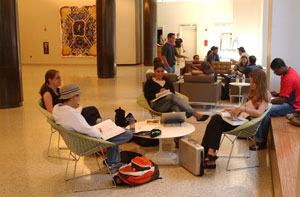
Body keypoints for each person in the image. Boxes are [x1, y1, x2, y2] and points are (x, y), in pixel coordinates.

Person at [53, 83, 133, 173]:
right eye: (78, 96)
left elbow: (82, 127)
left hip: (78, 139)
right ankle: (114, 164)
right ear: (73, 97)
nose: (79, 98)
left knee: (111, 126)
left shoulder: (57, 109)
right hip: (87, 142)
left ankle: (114, 163)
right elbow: (89, 131)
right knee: (127, 133)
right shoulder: (71, 113)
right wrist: (97, 130)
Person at [201, 69, 271, 168]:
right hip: (240, 119)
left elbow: (259, 113)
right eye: (250, 81)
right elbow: (246, 108)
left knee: (215, 121)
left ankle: (208, 154)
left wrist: (242, 108)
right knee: (215, 121)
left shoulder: (266, 94)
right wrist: (234, 109)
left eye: (253, 82)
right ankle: (210, 154)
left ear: (260, 82)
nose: (251, 84)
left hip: (245, 124)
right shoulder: (255, 93)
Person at [253, 58, 300, 150]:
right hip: (289, 101)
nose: (274, 73)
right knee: (263, 106)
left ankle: (261, 142)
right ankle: (253, 133)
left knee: (266, 110)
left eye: (275, 71)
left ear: (281, 68)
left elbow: (282, 100)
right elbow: (288, 93)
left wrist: (266, 101)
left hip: (293, 106)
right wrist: (277, 94)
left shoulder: (289, 78)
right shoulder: (287, 72)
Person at [144, 59, 209, 122]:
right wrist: (159, 93)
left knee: (176, 108)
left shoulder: (167, 81)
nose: (160, 74)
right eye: (158, 71)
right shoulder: (150, 82)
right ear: (154, 71)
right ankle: (195, 114)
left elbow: (173, 93)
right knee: (172, 97)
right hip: (157, 105)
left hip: (168, 103)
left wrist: (167, 93)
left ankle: (179, 126)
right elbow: (147, 96)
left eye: (162, 71)